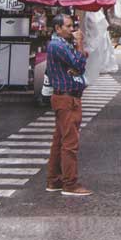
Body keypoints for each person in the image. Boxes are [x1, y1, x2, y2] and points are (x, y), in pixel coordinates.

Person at [45, 14, 91, 196]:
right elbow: (79, 63)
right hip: (67, 99)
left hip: (65, 97)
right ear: (58, 28)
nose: (72, 29)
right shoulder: (57, 45)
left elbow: (79, 61)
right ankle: (70, 183)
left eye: (72, 26)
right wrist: (79, 44)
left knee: (59, 140)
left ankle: (54, 180)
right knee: (70, 143)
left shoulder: (62, 44)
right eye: (68, 26)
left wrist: (78, 57)